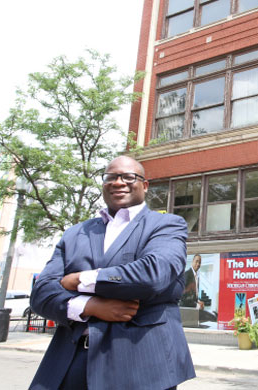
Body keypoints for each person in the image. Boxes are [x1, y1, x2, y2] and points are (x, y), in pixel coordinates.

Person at [29, 156, 195, 390]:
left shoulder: (166, 225)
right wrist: (88, 307)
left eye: (128, 177)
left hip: (141, 363)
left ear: (144, 185)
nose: (118, 182)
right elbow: (41, 293)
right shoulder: (76, 233)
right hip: (71, 360)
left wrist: (80, 279)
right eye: (110, 177)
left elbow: (153, 275)